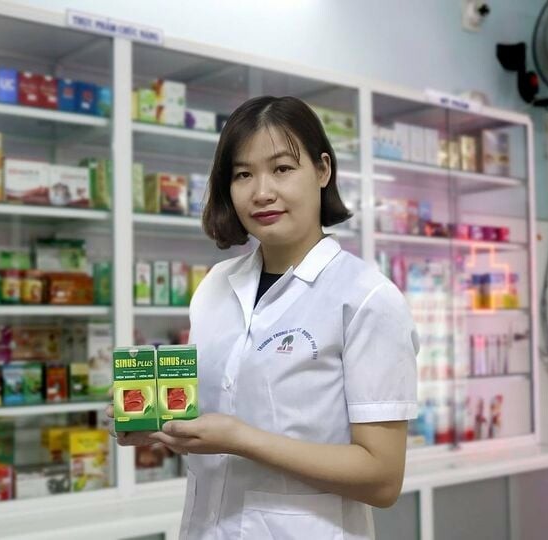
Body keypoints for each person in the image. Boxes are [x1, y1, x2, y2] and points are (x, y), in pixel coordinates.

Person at [108, 95, 418, 540]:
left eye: (282, 169)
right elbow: (212, 424)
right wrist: (158, 425)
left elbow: (382, 478)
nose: (261, 192)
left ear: (323, 170)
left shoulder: (367, 298)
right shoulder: (215, 286)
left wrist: (240, 439)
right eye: (243, 174)